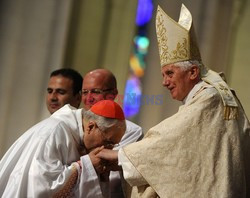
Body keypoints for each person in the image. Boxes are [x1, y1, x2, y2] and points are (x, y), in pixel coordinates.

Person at [97, 4, 250, 198]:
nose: (164, 82)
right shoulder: (215, 94)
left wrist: (121, 156)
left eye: (170, 73)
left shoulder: (210, 98)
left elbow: (170, 140)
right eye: (163, 74)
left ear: (193, 72)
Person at [0, 100, 126, 198]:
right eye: (108, 142)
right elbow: (42, 187)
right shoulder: (55, 132)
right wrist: (84, 165)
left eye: (113, 145)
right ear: (91, 127)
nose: (107, 149)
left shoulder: (79, 137)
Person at [82, 69, 143, 197]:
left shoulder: (130, 131)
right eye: (84, 92)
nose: (88, 98)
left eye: (95, 92)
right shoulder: (74, 123)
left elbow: (101, 162)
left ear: (113, 94)